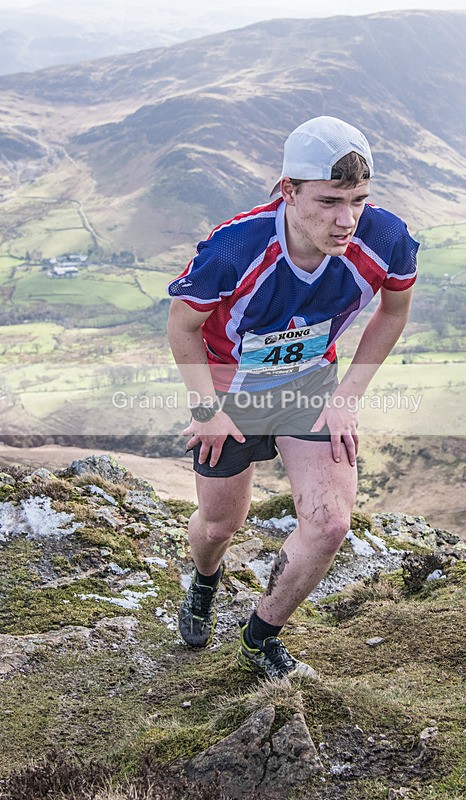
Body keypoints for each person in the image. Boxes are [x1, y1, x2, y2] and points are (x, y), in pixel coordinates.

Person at [167, 116, 418, 679]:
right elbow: (182, 327)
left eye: (357, 200)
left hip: (310, 382)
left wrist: (350, 394)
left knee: (329, 524)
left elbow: (394, 310)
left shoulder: (386, 239)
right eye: (329, 201)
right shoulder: (236, 246)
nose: (346, 219)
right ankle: (204, 581)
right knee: (217, 525)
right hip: (231, 389)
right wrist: (206, 410)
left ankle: (260, 636)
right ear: (289, 191)